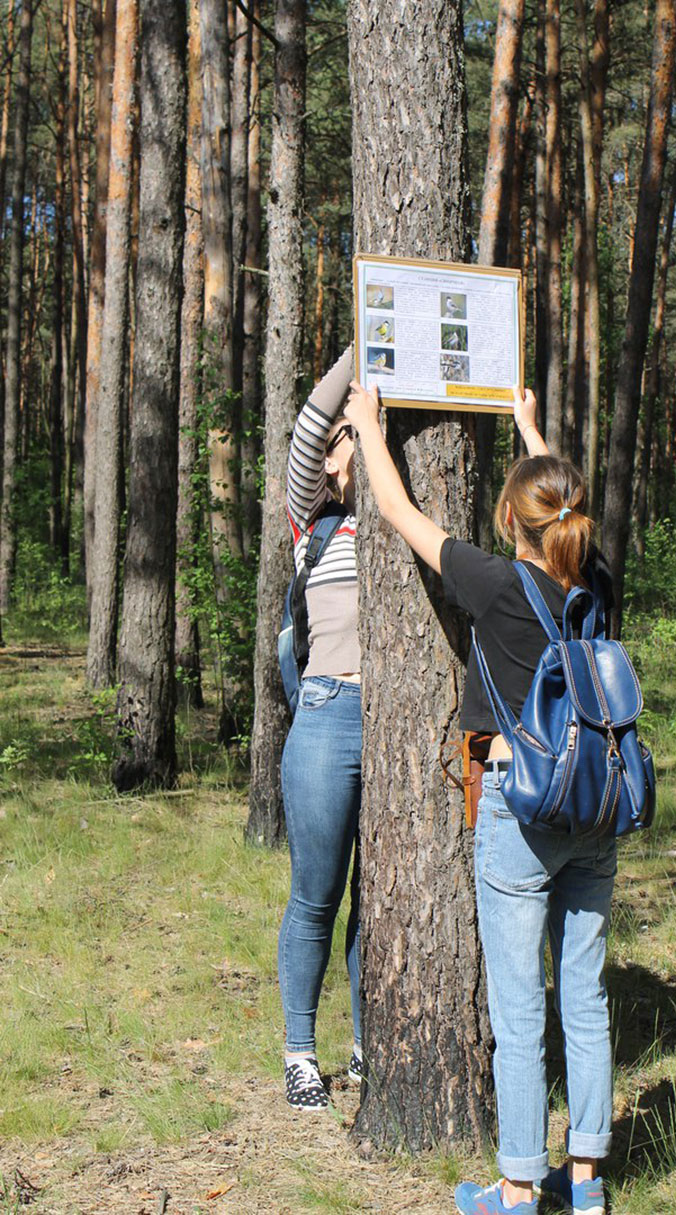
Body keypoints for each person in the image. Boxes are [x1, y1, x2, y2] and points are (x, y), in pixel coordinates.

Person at [344, 380, 615, 1215]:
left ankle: (518, 1187)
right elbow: (557, 506)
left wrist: (368, 428)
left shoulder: (495, 584)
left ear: (510, 522)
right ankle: (590, 1183)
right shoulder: (598, 584)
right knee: (586, 995)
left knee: (518, 1006)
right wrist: (532, 430)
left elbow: (397, 512)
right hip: (595, 809)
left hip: (520, 806)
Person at [279, 347, 363, 1112]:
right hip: (328, 712)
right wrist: (368, 337)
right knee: (317, 894)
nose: (352, 442)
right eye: (348, 437)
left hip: (402, 726)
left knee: (383, 898)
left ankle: (373, 1042)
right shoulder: (316, 521)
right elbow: (309, 426)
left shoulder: (403, 506)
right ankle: (301, 1050)